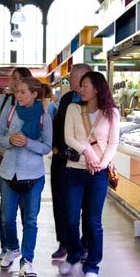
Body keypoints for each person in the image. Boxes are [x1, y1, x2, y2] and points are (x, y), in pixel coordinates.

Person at [58, 71, 120, 277]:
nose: (81, 89)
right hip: (74, 170)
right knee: (71, 219)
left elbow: (113, 143)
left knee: (94, 222)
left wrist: (101, 164)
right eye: (81, 85)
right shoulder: (74, 109)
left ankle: (92, 264)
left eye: (85, 86)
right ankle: (74, 254)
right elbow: (69, 138)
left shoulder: (111, 112)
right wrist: (87, 152)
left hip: (98, 174)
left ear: (97, 88)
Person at [0, 76, 52, 277]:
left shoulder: (44, 117)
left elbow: (46, 147)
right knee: (6, 219)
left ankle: (27, 261)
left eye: (22, 92)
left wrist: (28, 142)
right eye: (17, 91)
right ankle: (12, 247)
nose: (18, 95)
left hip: (34, 176)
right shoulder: (9, 112)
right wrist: (9, 140)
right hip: (9, 172)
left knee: (30, 220)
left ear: (34, 94)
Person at [0, 67, 32, 262]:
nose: (15, 82)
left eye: (20, 79)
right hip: (5, 159)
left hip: (27, 163)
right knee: (6, 207)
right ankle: (6, 246)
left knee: (26, 207)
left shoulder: (35, 104)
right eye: (13, 78)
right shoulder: (3, 101)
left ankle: (25, 249)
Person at [50, 63, 92, 259]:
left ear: (84, 78)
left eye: (73, 76)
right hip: (61, 159)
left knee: (85, 205)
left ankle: (85, 245)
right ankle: (64, 242)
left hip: (85, 161)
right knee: (60, 202)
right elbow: (58, 123)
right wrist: (54, 146)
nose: (69, 79)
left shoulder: (94, 100)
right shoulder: (67, 98)